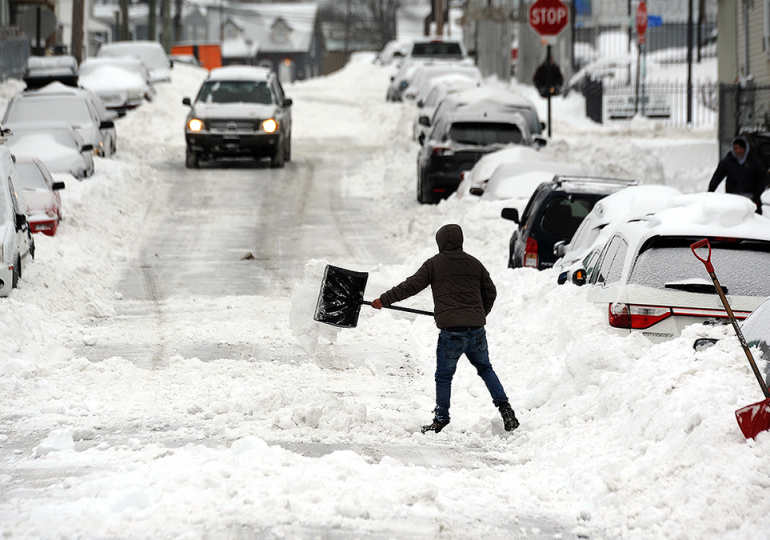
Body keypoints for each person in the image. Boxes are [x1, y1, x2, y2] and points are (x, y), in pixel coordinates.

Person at [371, 224, 519, 434]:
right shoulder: (474, 264)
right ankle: (505, 408)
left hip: (452, 332)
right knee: (486, 369)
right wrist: (478, 314)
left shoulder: (434, 264)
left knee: (444, 376)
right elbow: (491, 292)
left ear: (440, 242)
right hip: (476, 329)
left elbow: (411, 286)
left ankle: (441, 418)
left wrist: (384, 300)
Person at [708, 136, 768, 214]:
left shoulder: (754, 162)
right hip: (733, 198)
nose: (738, 151)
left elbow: (762, 178)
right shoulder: (727, 162)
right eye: (735, 148)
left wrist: (757, 194)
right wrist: (710, 192)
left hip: (751, 198)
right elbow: (717, 177)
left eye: (741, 148)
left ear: (746, 148)